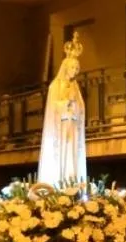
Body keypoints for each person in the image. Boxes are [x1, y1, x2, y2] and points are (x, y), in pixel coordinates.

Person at [37, 31, 87, 186]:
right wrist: (66, 104)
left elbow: (81, 107)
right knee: (62, 158)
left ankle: (72, 185)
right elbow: (53, 106)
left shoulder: (76, 87)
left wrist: (76, 106)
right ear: (66, 67)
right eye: (73, 68)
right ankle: (59, 185)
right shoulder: (55, 86)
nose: (75, 71)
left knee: (72, 158)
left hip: (73, 126)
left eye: (77, 68)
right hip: (60, 127)